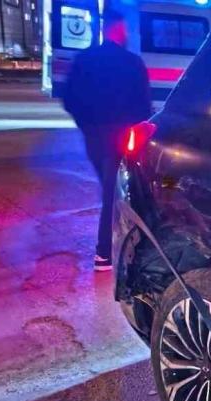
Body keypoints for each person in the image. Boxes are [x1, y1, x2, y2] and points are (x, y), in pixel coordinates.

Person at [63, 8, 151, 271]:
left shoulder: (84, 59)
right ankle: (105, 252)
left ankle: (118, 245)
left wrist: (87, 126)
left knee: (110, 189)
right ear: (118, 30)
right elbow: (144, 107)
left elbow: (69, 99)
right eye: (124, 29)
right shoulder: (132, 63)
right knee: (115, 193)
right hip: (120, 137)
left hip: (94, 137)